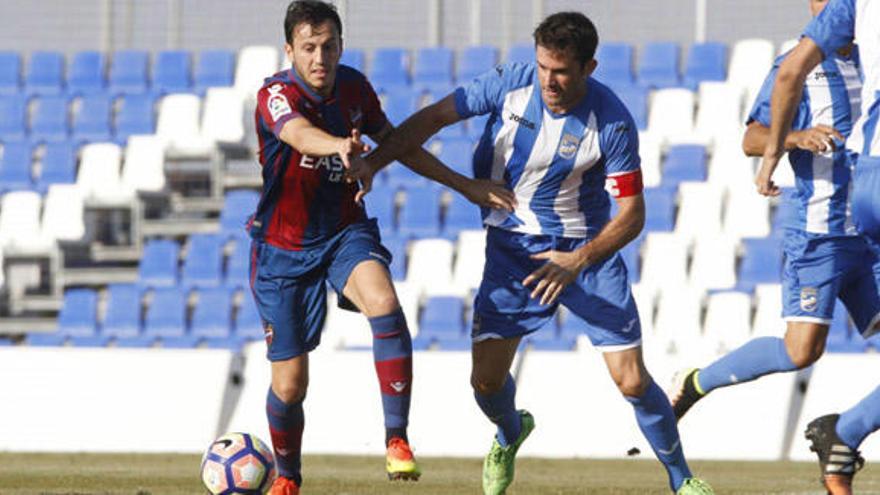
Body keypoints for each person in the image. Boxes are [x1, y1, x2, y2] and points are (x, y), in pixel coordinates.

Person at [355, 11, 713, 495]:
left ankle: (682, 480)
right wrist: (377, 163)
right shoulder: (510, 83)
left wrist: (579, 259)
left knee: (631, 380)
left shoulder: (611, 122)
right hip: (514, 250)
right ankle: (510, 431)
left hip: (585, 255)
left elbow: (633, 215)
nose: (549, 80)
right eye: (544, 66)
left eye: (562, 71)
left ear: (588, 67)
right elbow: (433, 118)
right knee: (485, 382)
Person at [249, 2, 515, 494]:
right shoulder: (276, 95)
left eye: (329, 46)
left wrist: (464, 185)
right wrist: (339, 147)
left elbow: (398, 143)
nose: (320, 57)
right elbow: (298, 135)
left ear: (341, 46)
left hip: (342, 232)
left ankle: (397, 440)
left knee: (385, 304)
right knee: (290, 386)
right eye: (308, 47)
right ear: (290, 50)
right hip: (282, 249)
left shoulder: (354, 89)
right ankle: (287, 477)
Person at [748, 0, 880, 493]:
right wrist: (785, 145)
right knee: (799, 349)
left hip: (863, 210)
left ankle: (842, 436)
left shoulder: (861, 48)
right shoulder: (804, 57)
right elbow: (773, 100)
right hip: (825, 227)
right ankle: (695, 383)